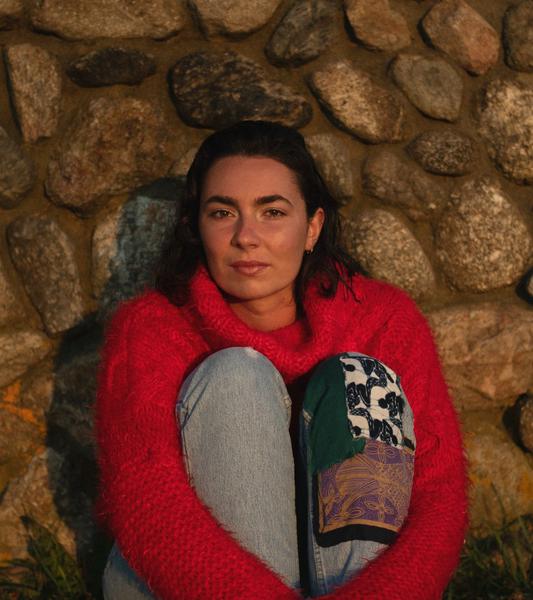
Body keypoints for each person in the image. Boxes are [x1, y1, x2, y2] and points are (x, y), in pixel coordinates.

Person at [96, 120, 468, 600]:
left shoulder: (383, 319)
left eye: (271, 212)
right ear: (195, 227)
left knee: (361, 379)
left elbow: (439, 496)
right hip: (185, 585)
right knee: (236, 375)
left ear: (312, 227)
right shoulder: (150, 328)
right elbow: (145, 498)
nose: (246, 237)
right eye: (222, 213)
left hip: (355, 585)